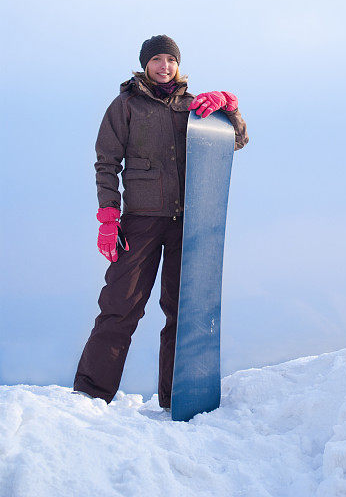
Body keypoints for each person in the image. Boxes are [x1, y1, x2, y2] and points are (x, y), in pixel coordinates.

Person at [73, 34, 249, 409]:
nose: (164, 66)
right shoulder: (125, 106)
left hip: (189, 221)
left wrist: (229, 110)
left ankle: (175, 398)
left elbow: (236, 141)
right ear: (145, 65)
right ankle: (89, 396)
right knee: (120, 306)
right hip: (141, 221)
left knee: (182, 310)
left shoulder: (195, 108)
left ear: (178, 65)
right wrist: (108, 215)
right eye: (157, 60)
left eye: (170, 60)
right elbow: (106, 163)